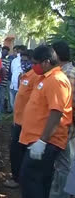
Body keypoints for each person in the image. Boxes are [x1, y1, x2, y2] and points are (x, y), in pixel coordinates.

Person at [19, 45, 72, 198]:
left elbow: (56, 112)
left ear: (46, 62)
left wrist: (42, 142)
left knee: (30, 179)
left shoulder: (56, 80)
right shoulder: (46, 78)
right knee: (39, 181)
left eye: (35, 63)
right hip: (38, 139)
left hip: (46, 142)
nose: (33, 66)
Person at [4, 49, 39, 188]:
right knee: (15, 151)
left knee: (19, 152)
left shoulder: (36, 77)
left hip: (28, 123)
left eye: (27, 61)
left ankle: (19, 179)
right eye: (22, 61)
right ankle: (19, 177)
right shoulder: (24, 76)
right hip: (18, 121)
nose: (24, 63)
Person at [49, 41, 75, 198]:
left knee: (63, 165)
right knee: (61, 165)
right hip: (61, 128)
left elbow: (69, 105)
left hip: (65, 128)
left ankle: (61, 194)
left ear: (57, 54)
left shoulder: (68, 75)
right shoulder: (63, 72)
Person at [9, 45, 26, 110]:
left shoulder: (26, 61)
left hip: (20, 86)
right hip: (13, 85)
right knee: (14, 105)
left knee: (18, 106)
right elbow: (12, 71)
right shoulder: (14, 60)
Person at [0, 46, 12, 113]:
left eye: (6, 52)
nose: (4, 52)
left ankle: (2, 112)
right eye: (4, 51)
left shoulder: (7, 61)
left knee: (2, 98)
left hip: (3, 82)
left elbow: (6, 71)